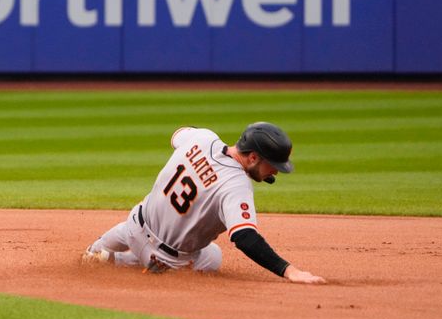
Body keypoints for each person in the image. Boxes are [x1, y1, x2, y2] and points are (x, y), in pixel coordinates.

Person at [82, 122, 326, 284]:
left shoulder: (204, 138)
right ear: (253, 157)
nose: (275, 171)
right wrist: (290, 271)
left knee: (208, 252)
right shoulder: (236, 186)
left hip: (132, 225)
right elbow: (245, 238)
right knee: (212, 257)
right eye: (273, 164)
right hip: (164, 258)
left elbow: (177, 135)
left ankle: (103, 254)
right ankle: (132, 263)